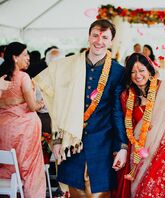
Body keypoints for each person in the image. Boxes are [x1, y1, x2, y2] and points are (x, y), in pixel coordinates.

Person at [34, 19, 128, 197]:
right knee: (74, 191)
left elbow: (118, 113)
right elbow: (58, 105)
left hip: (102, 145)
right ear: (88, 37)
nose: (99, 41)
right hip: (71, 144)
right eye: (95, 35)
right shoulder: (67, 67)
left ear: (111, 41)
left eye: (105, 37)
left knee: (99, 193)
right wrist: (57, 140)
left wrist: (122, 146)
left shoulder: (118, 72)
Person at [116, 53, 165, 197]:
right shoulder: (127, 96)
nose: (137, 75)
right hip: (140, 151)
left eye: (141, 70)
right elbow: (127, 125)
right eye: (133, 72)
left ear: (150, 70)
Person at [0, 42, 46, 197]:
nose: (28, 58)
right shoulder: (23, 77)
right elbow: (32, 106)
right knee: (30, 165)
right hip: (22, 130)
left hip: (4, 129)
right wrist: (43, 103)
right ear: (14, 57)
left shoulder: (1, 76)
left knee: (9, 162)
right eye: (25, 54)